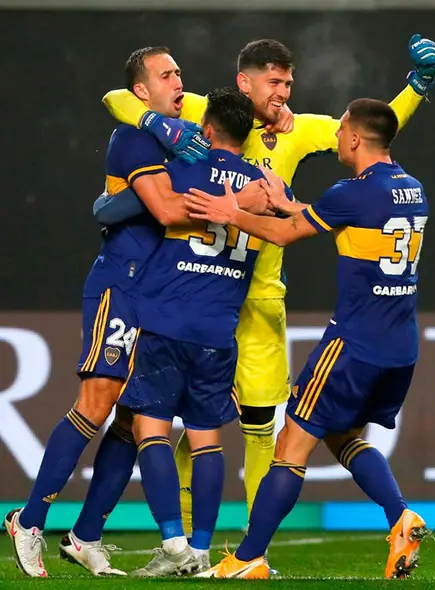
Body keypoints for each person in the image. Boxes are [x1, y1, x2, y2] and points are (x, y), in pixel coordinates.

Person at [93, 35, 435, 540]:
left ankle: (255, 547)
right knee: (193, 425)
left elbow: (375, 129)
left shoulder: (298, 131)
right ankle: (193, 543)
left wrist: (417, 87)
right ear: (245, 82)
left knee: (260, 425)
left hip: (259, 298)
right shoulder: (205, 110)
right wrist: (155, 122)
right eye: (274, 82)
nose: (283, 92)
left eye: (288, 83)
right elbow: (119, 99)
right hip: (201, 291)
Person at [2, 47, 264, 578]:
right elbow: (166, 209)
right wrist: (234, 201)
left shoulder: (181, 136)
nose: (179, 81)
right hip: (120, 286)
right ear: (141, 91)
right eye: (166, 74)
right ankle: (29, 520)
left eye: (180, 74)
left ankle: (86, 535)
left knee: (130, 420)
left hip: (159, 294)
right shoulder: (137, 136)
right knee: (97, 403)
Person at [184, 98, 430, 580]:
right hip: (400, 347)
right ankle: (400, 515)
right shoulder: (411, 188)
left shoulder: (350, 192)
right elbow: (328, 218)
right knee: (343, 437)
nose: (336, 137)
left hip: (352, 344)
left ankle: (248, 557)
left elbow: (283, 234)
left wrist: (230, 213)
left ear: (356, 138)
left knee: (290, 446)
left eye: (341, 131)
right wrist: (285, 201)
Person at [118, 86, 268, 577]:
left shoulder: (184, 169)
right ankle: (203, 550)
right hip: (220, 327)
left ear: (206, 131)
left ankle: (174, 546)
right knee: (207, 440)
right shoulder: (265, 186)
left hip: (167, 318)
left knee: (150, 429)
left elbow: (153, 209)